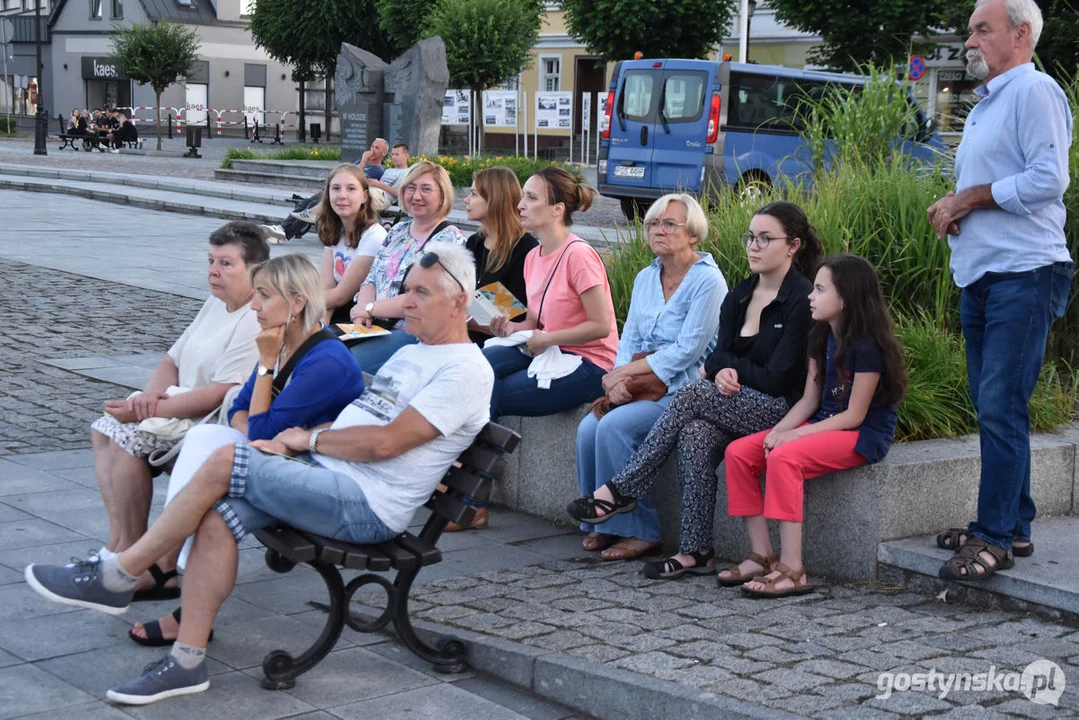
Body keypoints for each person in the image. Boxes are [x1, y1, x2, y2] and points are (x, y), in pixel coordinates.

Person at [24, 242, 493, 706]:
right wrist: (311, 436)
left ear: (458, 303)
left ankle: (121, 573)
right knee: (215, 513)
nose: (406, 301)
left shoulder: (465, 370)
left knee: (227, 460)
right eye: (407, 289)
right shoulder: (414, 352)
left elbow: (386, 442)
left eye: (421, 293)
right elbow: (363, 420)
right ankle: (186, 661)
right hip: (331, 476)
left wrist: (303, 440)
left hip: (367, 503)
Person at [567, 202, 820, 577]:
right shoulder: (741, 294)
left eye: (766, 238)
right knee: (695, 433)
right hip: (732, 401)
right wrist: (722, 372)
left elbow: (778, 378)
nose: (754, 245)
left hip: (781, 410)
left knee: (692, 394)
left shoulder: (800, 299)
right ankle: (696, 549)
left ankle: (624, 488)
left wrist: (726, 370)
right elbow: (716, 358)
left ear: (793, 246)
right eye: (750, 237)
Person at [128, 253, 365, 647]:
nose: (254, 306)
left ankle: (168, 574)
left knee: (212, 476)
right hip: (278, 454)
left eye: (264, 296)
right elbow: (238, 412)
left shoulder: (323, 359)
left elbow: (258, 425)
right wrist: (257, 405)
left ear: (297, 303)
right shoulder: (283, 339)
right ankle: (173, 575)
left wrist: (267, 367)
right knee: (205, 441)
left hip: (315, 471)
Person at [926, 0, 1073, 581]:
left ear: (1020, 34)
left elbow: (1049, 178)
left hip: (1025, 272)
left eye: (982, 29)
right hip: (986, 272)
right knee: (998, 406)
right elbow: (993, 184)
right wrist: (956, 204)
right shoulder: (994, 101)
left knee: (999, 405)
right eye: (970, 31)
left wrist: (970, 197)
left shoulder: (1034, 92)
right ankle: (1013, 524)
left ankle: (995, 536)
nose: (970, 41)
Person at [89, 221, 269, 601]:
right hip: (179, 406)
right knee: (104, 428)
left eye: (226, 263)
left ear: (255, 271)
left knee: (126, 436)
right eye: (210, 261)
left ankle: (136, 558)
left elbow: (223, 393)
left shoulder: (254, 316)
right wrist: (148, 399)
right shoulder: (216, 303)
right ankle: (119, 543)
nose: (213, 271)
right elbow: (171, 359)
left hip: (212, 421)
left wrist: (149, 409)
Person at [721, 254, 906, 597]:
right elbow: (809, 400)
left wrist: (792, 438)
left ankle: (793, 569)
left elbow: (854, 416)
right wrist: (779, 431)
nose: (810, 295)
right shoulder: (820, 334)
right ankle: (762, 555)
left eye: (820, 289)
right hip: (824, 423)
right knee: (739, 453)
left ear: (846, 298)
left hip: (862, 435)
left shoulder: (868, 346)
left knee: (785, 457)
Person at [573, 194, 727, 560]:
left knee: (614, 428)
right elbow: (629, 338)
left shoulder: (708, 282)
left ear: (693, 235)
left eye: (669, 224)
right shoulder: (646, 276)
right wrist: (614, 379)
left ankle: (641, 530)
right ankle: (603, 522)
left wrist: (627, 372)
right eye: (653, 224)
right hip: (641, 384)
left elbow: (686, 351)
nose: (659, 230)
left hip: (683, 390)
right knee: (587, 430)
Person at [484, 166, 618, 420]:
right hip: (547, 349)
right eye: (523, 196)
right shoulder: (533, 256)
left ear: (558, 209)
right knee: (482, 365)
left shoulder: (579, 255)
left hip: (590, 363)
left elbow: (601, 326)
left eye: (531, 198)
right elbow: (534, 322)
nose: (520, 205)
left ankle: (473, 456)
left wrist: (547, 339)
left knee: (494, 392)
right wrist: (509, 329)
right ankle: (471, 454)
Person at [349, 160, 467, 374]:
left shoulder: (449, 239)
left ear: (443, 195)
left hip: (414, 331)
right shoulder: (398, 231)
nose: (416, 195)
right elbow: (373, 278)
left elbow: (423, 299)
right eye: (411, 188)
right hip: (375, 324)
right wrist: (361, 315)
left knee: (348, 366)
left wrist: (369, 308)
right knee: (317, 350)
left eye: (426, 189)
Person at [266, 142, 411, 243]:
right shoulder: (389, 170)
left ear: (406, 155)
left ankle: (301, 220)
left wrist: (378, 184)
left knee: (330, 195)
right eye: (393, 154)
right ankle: (285, 230)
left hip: (379, 197)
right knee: (323, 195)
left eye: (397, 154)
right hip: (369, 190)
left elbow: (400, 193)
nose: (394, 157)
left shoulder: (407, 172)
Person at [463, 166, 539, 346]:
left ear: (495, 200)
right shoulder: (475, 242)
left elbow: (515, 317)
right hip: (464, 339)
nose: (466, 200)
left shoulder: (525, 248)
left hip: (501, 346)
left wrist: (461, 314)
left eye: (474, 194)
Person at [314, 164, 387, 324]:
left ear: (365, 197)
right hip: (335, 308)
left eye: (351, 189)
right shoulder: (334, 230)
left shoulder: (374, 235)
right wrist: (320, 327)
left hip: (361, 313)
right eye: (336, 188)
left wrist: (299, 301)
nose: (342, 195)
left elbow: (340, 296)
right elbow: (326, 287)